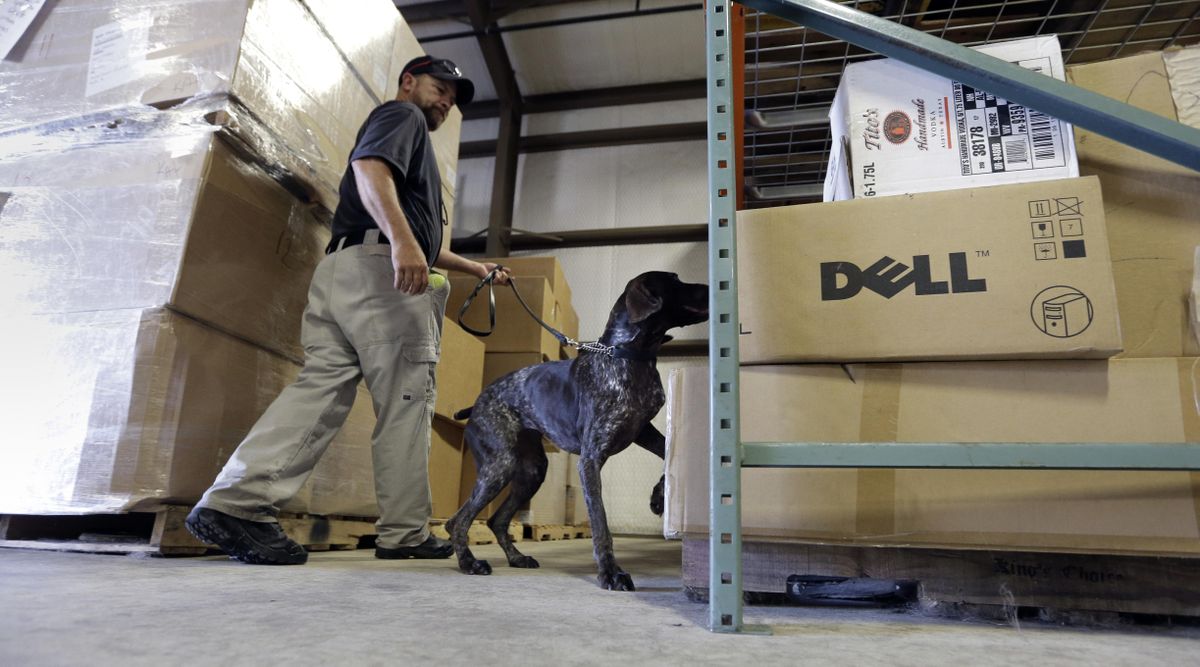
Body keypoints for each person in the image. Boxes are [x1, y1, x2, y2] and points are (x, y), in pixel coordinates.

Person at [185, 56, 509, 565]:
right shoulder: (402, 118)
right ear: (409, 82)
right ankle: (404, 532)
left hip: (347, 270)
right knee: (407, 401)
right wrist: (403, 244)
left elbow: (412, 232)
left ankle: (237, 502)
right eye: (439, 87)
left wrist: (472, 266)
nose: (446, 100)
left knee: (322, 387)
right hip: (384, 275)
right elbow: (369, 168)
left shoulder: (403, 138)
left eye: (453, 95)